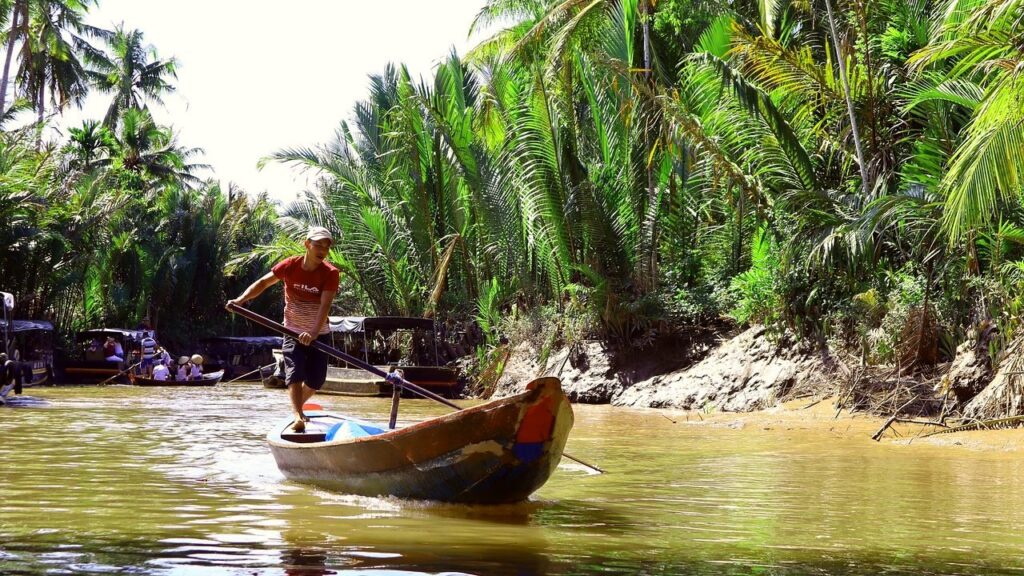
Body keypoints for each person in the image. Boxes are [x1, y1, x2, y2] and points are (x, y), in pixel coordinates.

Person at [227, 226, 339, 432]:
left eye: (326, 246)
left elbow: (325, 305)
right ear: (307, 244)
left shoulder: (330, 273)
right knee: (294, 372)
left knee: (317, 379)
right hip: (292, 331)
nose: (322, 250)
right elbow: (263, 283)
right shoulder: (290, 266)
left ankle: (297, 407)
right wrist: (241, 300)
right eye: (318, 245)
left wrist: (313, 333)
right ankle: (298, 415)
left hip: (319, 333)